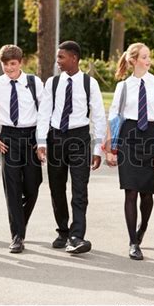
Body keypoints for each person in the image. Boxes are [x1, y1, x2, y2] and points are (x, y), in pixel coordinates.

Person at [36, 40, 106, 254]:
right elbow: (44, 113)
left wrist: (97, 149)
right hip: (56, 138)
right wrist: (41, 141)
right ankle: (63, 231)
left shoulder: (89, 83)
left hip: (79, 139)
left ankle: (77, 236)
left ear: (74, 58)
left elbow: (99, 116)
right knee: (56, 188)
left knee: (79, 189)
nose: (58, 61)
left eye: (61, 57)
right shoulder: (53, 83)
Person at [104, 43, 154, 260]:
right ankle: (133, 241)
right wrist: (111, 148)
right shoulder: (123, 87)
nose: (148, 60)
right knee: (130, 191)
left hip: (149, 136)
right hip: (128, 137)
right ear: (133, 61)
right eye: (144, 57)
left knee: (147, 193)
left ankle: (143, 227)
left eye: (149, 56)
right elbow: (114, 117)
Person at [0, 45, 43, 253]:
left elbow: (44, 111)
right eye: (5, 64)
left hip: (31, 137)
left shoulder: (33, 82)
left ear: (20, 63)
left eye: (13, 64)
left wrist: (41, 141)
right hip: (8, 138)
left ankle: (20, 222)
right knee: (12, 189)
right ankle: (17, 236)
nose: (9, 68)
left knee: (33, 185)